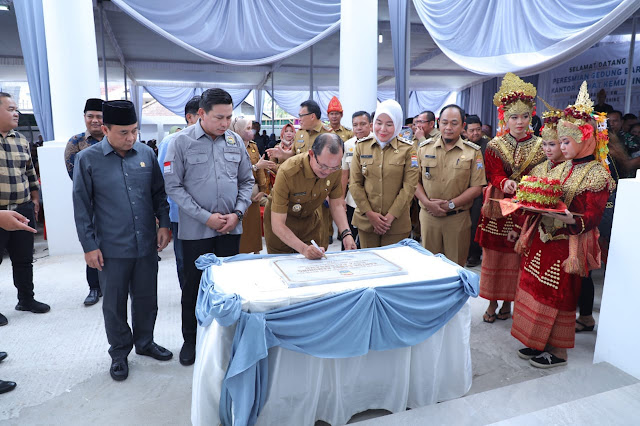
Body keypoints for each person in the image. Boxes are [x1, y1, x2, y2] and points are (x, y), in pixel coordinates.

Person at [508, 82, 614, 368]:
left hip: (566, 244)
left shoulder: (596, 173)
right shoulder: (563, 167)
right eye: (561, 142)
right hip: (543, 238)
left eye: (567, 142)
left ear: (585, 140)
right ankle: (535, 341)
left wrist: (568, 219)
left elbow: (591, 216)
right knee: (533, 288)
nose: (562, 147)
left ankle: (558, 352)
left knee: (559, 295)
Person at [72, 100, 172, 381]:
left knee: (146, 298)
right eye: (124, 132)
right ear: (105, 129)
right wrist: (89, 246)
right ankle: (119, 352)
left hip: (146, 245)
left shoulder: (145, 154)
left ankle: (145, 342)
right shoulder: (88, 159)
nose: (131, 138)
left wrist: (164, 224)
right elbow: (81, 206)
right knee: (114, 303)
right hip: (111, 248)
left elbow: (158, 195)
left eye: (135, 131)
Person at [163, 88, 253, 366]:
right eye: (219, 117)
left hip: (230, 228)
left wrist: (238, 213)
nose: (225, 123)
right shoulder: (179, 142)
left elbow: (247, 181)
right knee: (193, 287)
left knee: (229, 288)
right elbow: (173, 187)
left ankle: (225, 339)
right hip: (195, 231)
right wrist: (205, 217)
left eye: (229, 117)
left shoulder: (235, 141)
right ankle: (190, 341)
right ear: (201, 114)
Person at [475, 73, 545, 323]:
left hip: (526, 205)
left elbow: (541, 174)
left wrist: (526, 186)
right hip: (498, 206)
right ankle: (492, 302)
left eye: (525, 116)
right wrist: (505, 182)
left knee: (518, 255)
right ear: (504, 117)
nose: (520, 122)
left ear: (531, 116)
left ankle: (508, 304)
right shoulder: (494, 145)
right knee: (494, 255)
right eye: (514, 117)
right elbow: (493, 172)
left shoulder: (540, 146)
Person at [414, 105, 486, 266]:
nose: (448, 127)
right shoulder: (424, 148)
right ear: (439, 123)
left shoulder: (472, 152)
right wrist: (427, 203)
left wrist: (451, 205)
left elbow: (477, 187)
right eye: (445, 122)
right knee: (429, 267)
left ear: (462, 126)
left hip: (457, 218)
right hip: (428, 217)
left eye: (454, 123)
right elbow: (413, 180)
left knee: (455, 268)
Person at [263, 133, 356, 257]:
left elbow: (336, 204)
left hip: (309, 223)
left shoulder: (335, 169)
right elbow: (278, 224)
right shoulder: (288, 172)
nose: (328, 172)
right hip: (283, 226)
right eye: (323, 166)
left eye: (333, 167)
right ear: (312, 154)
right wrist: (303, 249)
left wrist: (346, 233)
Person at [0, 92, 49, 326]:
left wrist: (35, 199)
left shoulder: (20, 139)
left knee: (23, 259)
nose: (16, 113)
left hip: (23, 208)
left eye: (16, 108)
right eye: (10, 109)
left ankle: (26, 299)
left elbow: (29, 173)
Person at [349, 99, 419, 248]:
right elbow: (354, 184)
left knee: (395, 267)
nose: (382, 129)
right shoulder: (361, 147)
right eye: (379, 123)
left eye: (389, 124)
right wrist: (370, 214)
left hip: (396, 223)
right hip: (367, 221)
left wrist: (390, 217)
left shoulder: (408, 149)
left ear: (398, 124)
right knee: (369, 266)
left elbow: (409, 187)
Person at [156, 95, 201, 290]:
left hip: (208, 213)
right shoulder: (171, 141)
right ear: (189, 117)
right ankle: (188, 296)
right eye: (202, 115)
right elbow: (161, 180)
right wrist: (161, 216)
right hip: (180, 213)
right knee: (185, 260)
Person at [63, 98, 105, 306]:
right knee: (92, 243)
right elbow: (74, 175)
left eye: (99, 116)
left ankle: (113, 285)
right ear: (85, 118)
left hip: (116, 203)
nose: (95, 121)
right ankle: (94, 287)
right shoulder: (76, 142)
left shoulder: (114, 139)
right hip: (90, 203)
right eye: (91, 116)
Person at [230, 116, 274, 253]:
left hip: (254, 194)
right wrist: (255, 166)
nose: (251, 132)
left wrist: (263, 189)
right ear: (237, 130)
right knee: (240, 231)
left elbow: (261, 170)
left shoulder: (253, 146)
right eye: (248, 128)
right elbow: (234, 172)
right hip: (237, 194)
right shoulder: (231, 147)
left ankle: (255, 253)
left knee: (253, 230)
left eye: (251, 128)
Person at [341, 111, 373, 250]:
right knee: (349, 240)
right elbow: (344, 173)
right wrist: (341, 198)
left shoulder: (377, 143)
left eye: (362, 124)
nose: (358, 128)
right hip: (352, 201)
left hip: (372, 201)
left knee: (367, 242)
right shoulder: (348, 145)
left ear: (370, 125)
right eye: (355, 125)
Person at [266, 100, 331, 161]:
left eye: (301, 116)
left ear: (312, 116)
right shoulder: (300, 133)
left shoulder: (329, 134)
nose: (299, 119)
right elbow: (294, 155)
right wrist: (283, 154)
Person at [465, 115, 490, 267]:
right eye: (472, 130)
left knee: (475, 223)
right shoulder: (461, 145)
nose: (475, 133)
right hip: (461, 190)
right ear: (465, 131)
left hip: (480, 191)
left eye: (478, 130)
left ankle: (474, 254)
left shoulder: (489, 146)